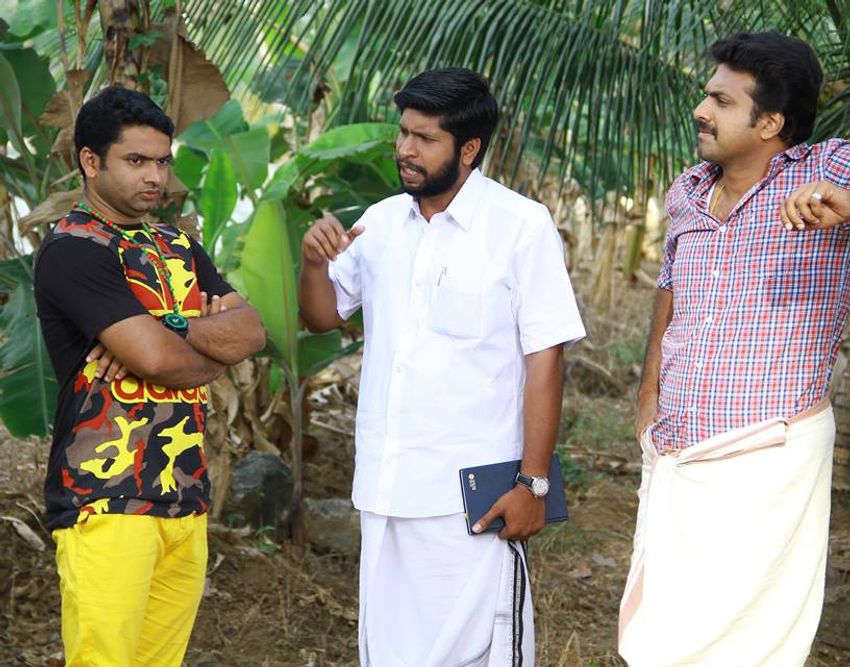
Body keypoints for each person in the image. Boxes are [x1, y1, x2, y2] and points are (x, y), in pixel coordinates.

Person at [618, 32, 850, 666]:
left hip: (770, 451)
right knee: (665, 632)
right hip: (676, 447)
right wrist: (648, 395)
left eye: (721, 101)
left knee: (752, 640)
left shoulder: (828, 168)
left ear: (771, 123)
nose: (701, 110)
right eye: (707, 96)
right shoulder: (687, 191)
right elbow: (670, 290)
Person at [298, 67, 585, 666]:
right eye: (403, 132)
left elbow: (546, 359)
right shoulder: (380, 222)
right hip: (385, 487)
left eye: (425, 138)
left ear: (469, 148)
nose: (406, 149)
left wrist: (532, 485)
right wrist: (313, 263)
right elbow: (321, 317)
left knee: (476, 655)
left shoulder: (520, 226)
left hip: (473, 498)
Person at [34, 86, 266, 666]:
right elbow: (160, 361)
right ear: (91, 161)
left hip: (184, 498)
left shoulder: (178, 244)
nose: (155, 177)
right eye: (136, 160)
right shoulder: (74, 249)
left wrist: (168, 326)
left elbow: (251, 332)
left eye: (162, 161)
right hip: (106, 500)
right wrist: (206, 346)